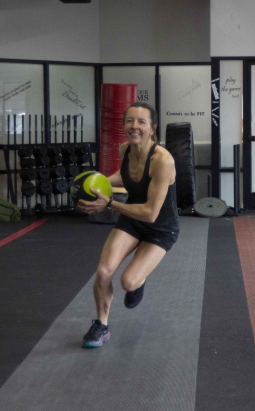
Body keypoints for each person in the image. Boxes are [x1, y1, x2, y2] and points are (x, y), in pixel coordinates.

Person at [77, 102, 179, 348]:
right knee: (103, 272)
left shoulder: (162, 161)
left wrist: (109, 203)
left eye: (141, 122)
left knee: (128, 282)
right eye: (129, 121)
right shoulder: (125, 150)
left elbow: (151, 213)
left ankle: (139, 282)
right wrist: (94, 182)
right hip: (132, 220)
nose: (134, 126)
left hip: (160, 228)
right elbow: (125, 176)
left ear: (152, 129)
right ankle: (101, 325)